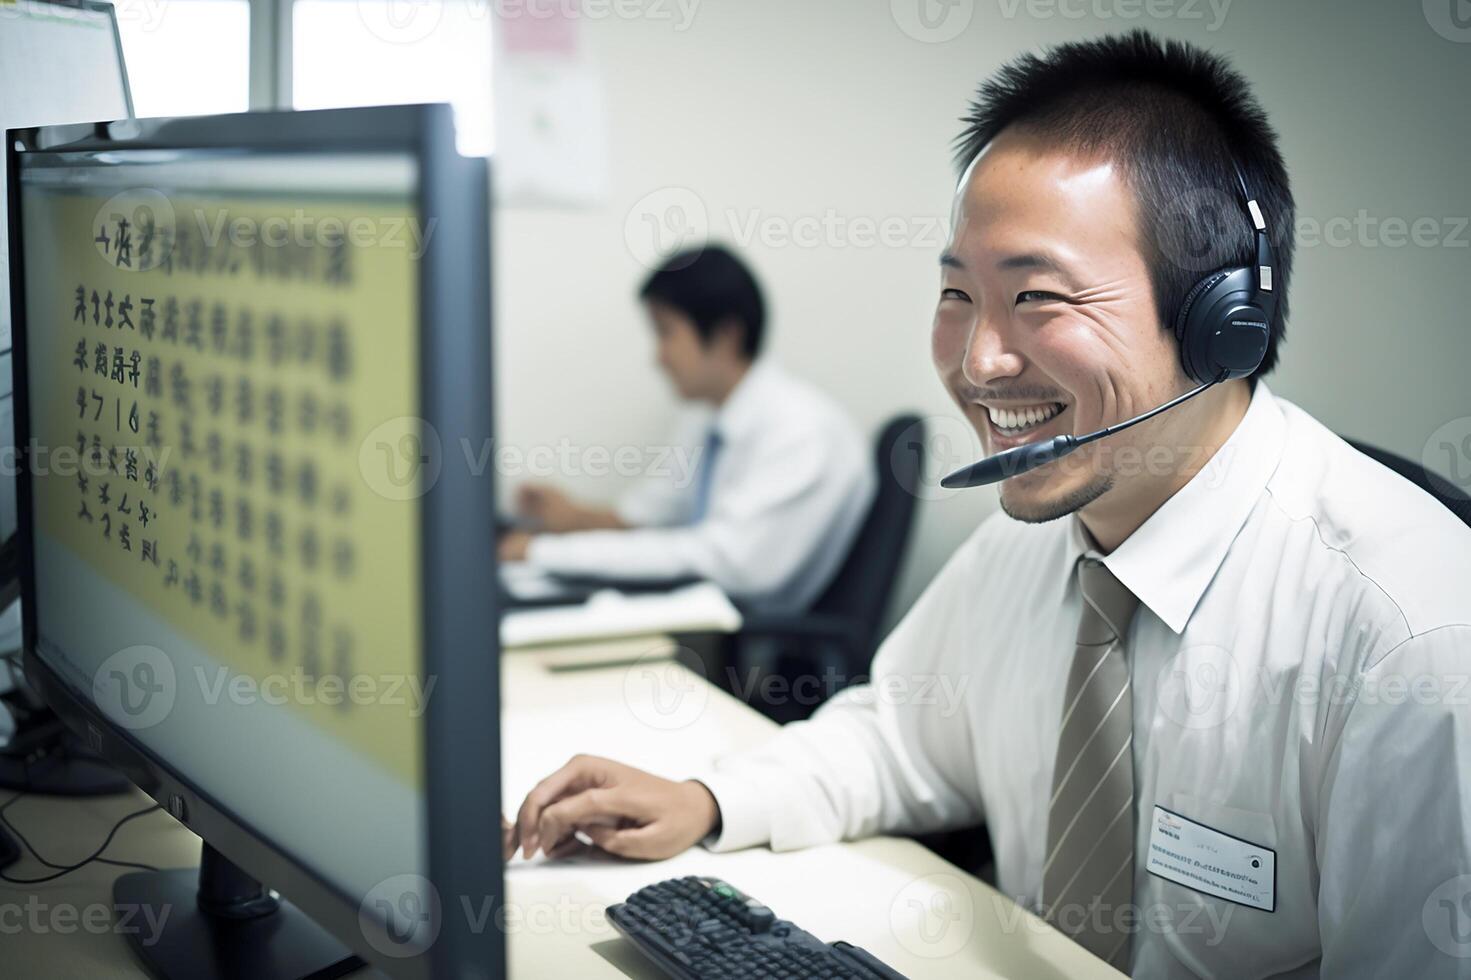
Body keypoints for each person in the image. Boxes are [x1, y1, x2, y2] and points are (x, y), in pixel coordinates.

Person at [505, 32, 1471, 978]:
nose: (976, 364)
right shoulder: (1040, 538)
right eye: (957, 295)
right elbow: (895, 736)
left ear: (1225, 325)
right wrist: (709, 798)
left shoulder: (1406, 635)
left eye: (1037, 299)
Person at [499, 245, 874, 615]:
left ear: (726, 335)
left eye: (666, 333)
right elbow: (650, 515)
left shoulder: (801, 432)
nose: (658, 357)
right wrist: (570, 518)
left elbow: (721, 559)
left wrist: (541, 552)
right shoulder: (709, 418)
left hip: (755, 654)